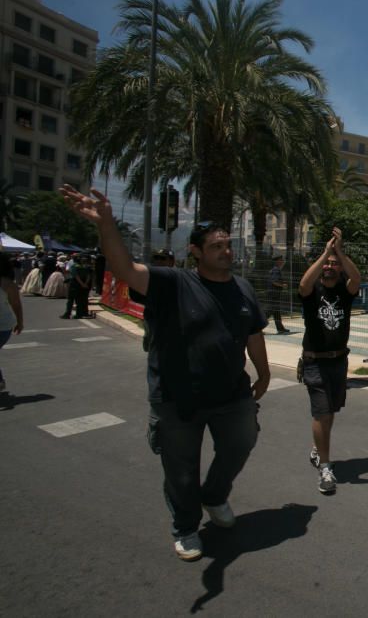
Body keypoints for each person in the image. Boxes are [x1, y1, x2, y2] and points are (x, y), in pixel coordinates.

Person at [60, 185, 270, 563]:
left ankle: (215, 495)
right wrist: (106, 224)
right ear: (196, 252)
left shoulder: (243, 289)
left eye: (227, 245)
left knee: (242, 442)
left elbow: (253, 333)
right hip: (177, 398)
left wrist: (265, 374)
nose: (226, 251)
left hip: (232, 394)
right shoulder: (173, 283)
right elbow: (123, 268)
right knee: (181, 470)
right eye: (216, 246)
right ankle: (186, 527)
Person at [298, 228, 361, 494]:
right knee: (322, 412)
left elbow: (356, 278)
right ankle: (325, 467)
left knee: (331, 410)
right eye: (327, 264)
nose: (330, 266)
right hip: (315, 362)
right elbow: (303, 284)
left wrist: (340, 253)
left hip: (338, 362)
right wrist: (325, 252)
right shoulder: (312, 292)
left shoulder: (345, 294)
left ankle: (317, 448)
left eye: (334, 264)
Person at [1, 253, 25, 395]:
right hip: (5, 325)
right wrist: (19, 322)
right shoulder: (9, 284)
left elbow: (16, 304)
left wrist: (20, 322)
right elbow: (16, 305)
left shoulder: (8, 284)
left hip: (2, 326)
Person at [61, 252, 94, 319]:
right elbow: (88, 276)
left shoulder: (74, 266)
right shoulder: (86, 267)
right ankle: (79, 314)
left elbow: (76, 276)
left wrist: (82, 283)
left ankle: (67, 314)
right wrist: (85, 284)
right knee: (79, 300)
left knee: (70, 300)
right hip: (83, 285)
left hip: (75, 284)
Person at [267, 255, 291, 335]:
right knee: (269, 311)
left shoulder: (275, 269)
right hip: (274, 294)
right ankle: (257, 326)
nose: (282, 261)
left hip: (274, 293)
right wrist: (283, 285)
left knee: (276, 312)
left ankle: (280, 328)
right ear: (277, 261)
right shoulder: (276, 270)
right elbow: (274, 281)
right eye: (281, 260)